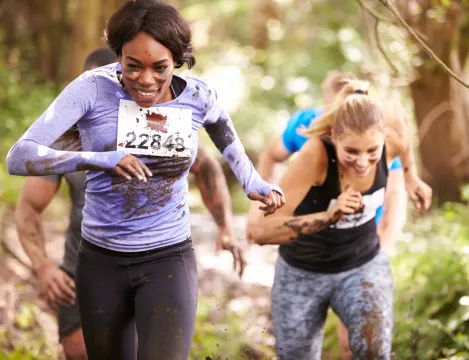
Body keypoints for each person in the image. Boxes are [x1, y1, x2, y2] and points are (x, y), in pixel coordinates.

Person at [6, 1, 285, 359]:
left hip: (167, 258)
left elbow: (224, 137)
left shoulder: (198, 97)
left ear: (179, 59)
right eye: (132, 66)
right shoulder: (91, 88)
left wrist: (253, 182)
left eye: (160, 68)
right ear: (118, 55)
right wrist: (99, 159)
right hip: (100, 261)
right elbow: (19, 156)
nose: (146, 80)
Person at [249, 80, 432, 359]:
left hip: (361, 265)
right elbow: (261, 231)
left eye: (372, 151)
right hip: (302, 271)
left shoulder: (391, 138)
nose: (362, 162)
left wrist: (410, 175)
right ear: (333, 135)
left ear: (384, 136)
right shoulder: (313, 156)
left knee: (373, 352)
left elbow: (401, 128)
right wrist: (328, 216)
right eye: (352, 152)